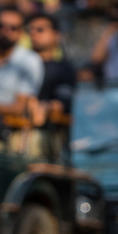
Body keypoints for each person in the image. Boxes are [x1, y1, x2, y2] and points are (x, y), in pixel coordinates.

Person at [0, 7, 44, 154]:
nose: (6, 31)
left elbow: (19, 107)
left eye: (13, 28)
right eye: (1, 26)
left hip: (4, 131)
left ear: (21, 33)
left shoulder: (29, 61)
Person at [27, 13, 76, 163]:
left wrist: (45, 108)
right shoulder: (21, 64)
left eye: (40, 29)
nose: (34, 34)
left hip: (46, 134)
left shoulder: (63, 68)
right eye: (31, 30)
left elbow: (63, 102)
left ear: (56, 35)